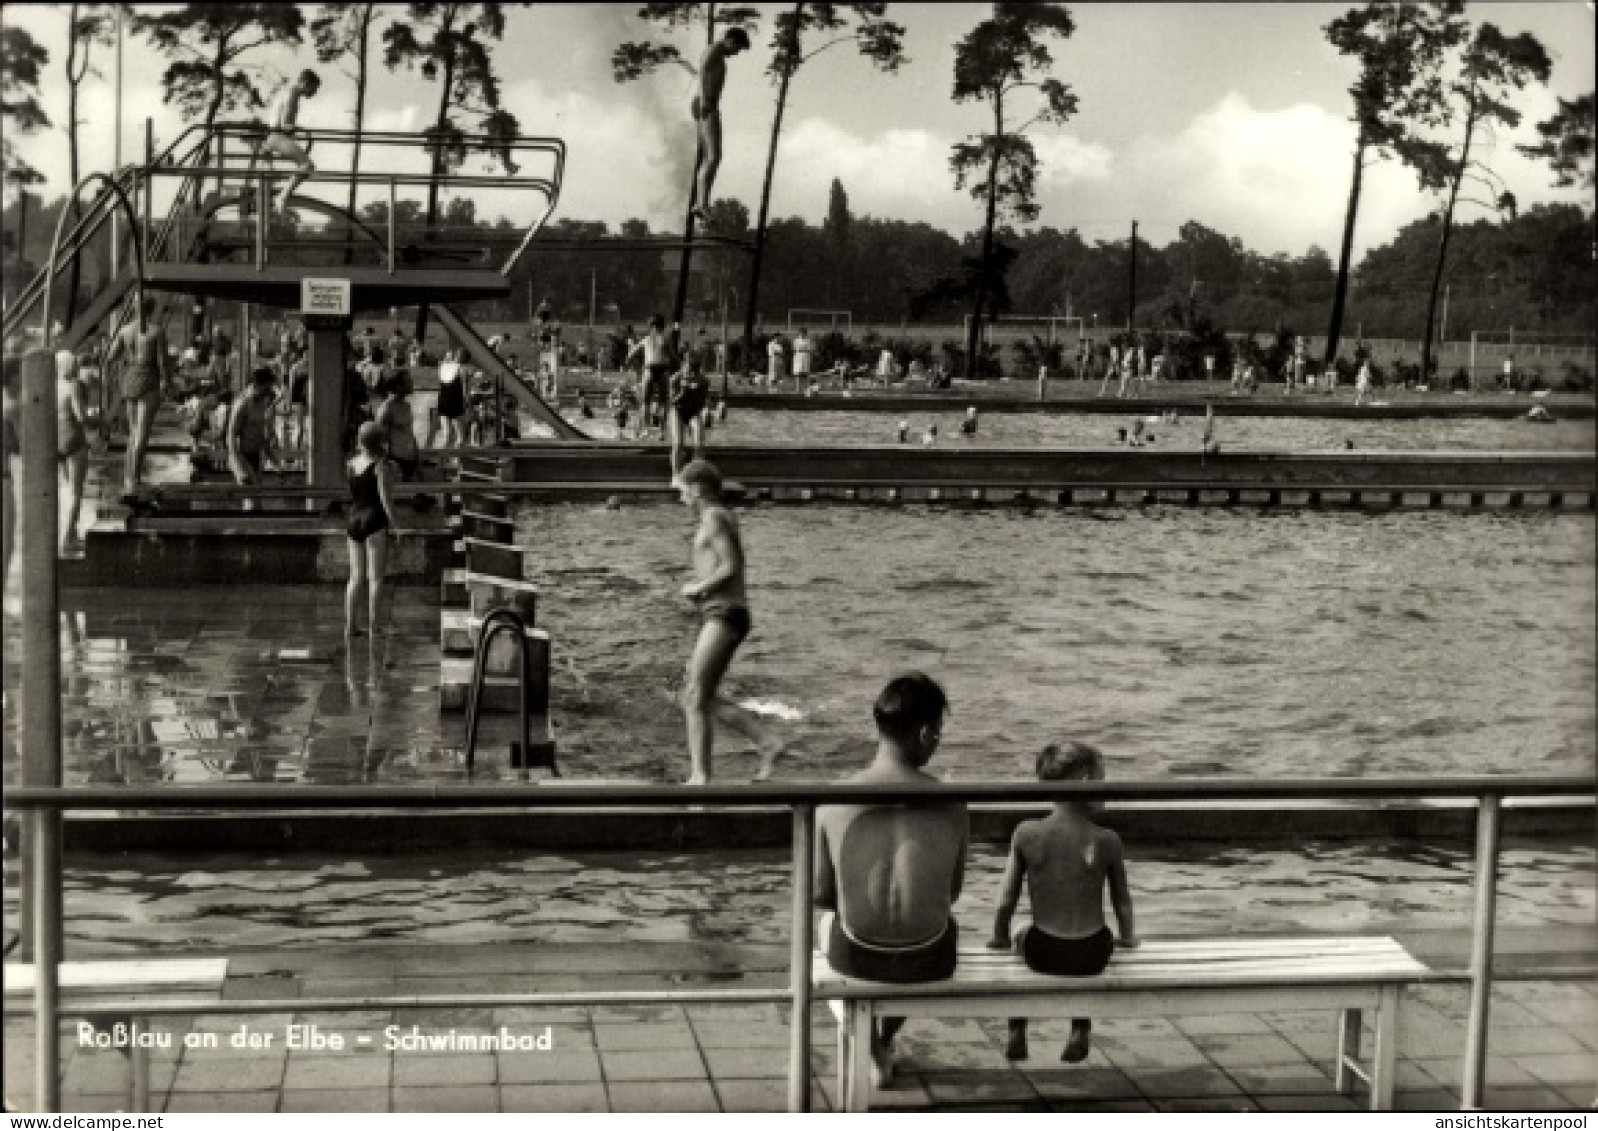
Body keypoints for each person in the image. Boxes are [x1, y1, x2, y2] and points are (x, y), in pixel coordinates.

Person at [814, 673, 968, 1086]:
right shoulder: (952, 803)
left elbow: (820, 894)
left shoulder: (833, 800)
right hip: (929, 959)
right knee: (932, 921)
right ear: (923, 733)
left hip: (858, 958)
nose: (937, 742)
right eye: (938, 733)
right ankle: (881, 1037)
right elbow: (950, 894)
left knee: (826, 924)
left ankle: (867, 1042)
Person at [989, 742, 1138, 1064]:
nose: (1106, 788)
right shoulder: (1107, 839)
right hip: (1093, 953)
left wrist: (1000, 936)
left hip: (1044, 951)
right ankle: (1080, 1027)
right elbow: (1122, 901)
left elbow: (1005, 900)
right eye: (1102, 779)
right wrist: (1127, 938)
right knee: (1099, 931)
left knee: (1020, 928)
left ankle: (1016, 1025)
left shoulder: (1027, 833)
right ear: (1085, 781)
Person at [676, 459, 750, 785]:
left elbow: (731, 566)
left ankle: (700, 779)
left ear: (696, 489)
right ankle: (766, 741)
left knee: (694, 695)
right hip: (717, 612)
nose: (681, 500)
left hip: (725, 613)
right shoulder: (714, 516)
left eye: (682, 492)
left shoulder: (715, 517)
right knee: (696, 693)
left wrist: (698, 587)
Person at [105, 294, 171, 500]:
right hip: (149, 377)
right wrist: (166, 381)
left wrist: (114, 378)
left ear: (134, 309)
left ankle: (129, 477)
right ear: (151, 309)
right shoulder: (156, 331)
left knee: (133, 433)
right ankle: (134, 479)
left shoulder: (125, 331)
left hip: (130, 378)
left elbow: (110, 357)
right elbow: (162, 362)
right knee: (141, 433)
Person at [689, 27, 751, 223]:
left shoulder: (713, 51)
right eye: (737, 48)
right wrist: (706, 99)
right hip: (706, 103)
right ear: (729, 40)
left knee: (710, 157)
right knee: (714, 157)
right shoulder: (715, 49)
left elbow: (701, 71)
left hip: (703, 102)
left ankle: (701, 203)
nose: (736, 53)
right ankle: (701, 204)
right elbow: (704, 70)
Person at [345, 421, 399, 639]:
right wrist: (396, 525)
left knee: (355, 577)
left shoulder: (350, 464)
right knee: (376, 579)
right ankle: (375, 627)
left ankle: (351, 626)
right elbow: (385, 499)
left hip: (354, 520)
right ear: (380, 442)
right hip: (374, 520)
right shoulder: (380, 466)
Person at [248, 69, 321, 216]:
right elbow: (286, 124)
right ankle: (282, 197)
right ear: (305, 83)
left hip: (270, 137)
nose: (314, 93)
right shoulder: (293, 94)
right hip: (277, 137)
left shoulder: (286, 91)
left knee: (268, 176)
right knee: (307, 165)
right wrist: (294, 130)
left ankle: (264, 207)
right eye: (314, 88)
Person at [54, 350, 95, 553]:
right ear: (71, 367)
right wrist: (97, 421)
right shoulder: (74, 386)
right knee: (76, 491)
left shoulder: (51, 386)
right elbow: (80, 417)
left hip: (56, 442)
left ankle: (65, 532)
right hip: (74, 441)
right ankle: (69, 536)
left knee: (64, 489)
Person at [227, 367, 279, 485]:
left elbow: (260, 435)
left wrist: (275, 462)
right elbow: (231, 435)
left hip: (255, 455)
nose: (271, 389)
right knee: (252, 498)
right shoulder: (243, 403)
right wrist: (239, 468)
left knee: (256, 500)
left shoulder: (262, 403)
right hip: (241, 457)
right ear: (260, 385)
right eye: (269, 385)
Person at [669, 353, 712, 484]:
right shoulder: (675, 378)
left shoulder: (704, 381)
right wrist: (683, 391)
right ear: (683, 367)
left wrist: (697, 393)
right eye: (688, 370)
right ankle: (676, 475)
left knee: (699, 443)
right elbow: (672, 401)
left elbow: (703, 402)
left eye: (694, 371)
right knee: (678, 443)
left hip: (694, 412)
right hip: (678, 411)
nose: (691, 374)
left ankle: (697, 474)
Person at [627, 317, 672, 437]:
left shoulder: (646, 339)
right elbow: (672, 356)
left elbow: (630, 355)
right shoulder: (666, 339)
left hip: (649, 369)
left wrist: (632, 364)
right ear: (662, 327)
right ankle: (662, 431)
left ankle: (646, 429)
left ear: (651, 327)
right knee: (663, 402)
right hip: (663, 369)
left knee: (646, 402)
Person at [375, 370, 421, 483]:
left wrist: (416, 454)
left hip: (410, 459)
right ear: (398, 386)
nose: (412, 383)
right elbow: (381, 439)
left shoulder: (406, 406)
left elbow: (408, 431)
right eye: (408, 381)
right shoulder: (387, 408)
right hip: (395, 461)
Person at [435, 351, 467, 447]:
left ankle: (443, 460)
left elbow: (440, 386)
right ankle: (457, 460)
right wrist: (466, 403)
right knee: (460, 437)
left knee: (447, 436)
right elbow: (464, 388)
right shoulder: (461, 369)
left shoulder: (443, 368)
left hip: (443, 401)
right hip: (456, 402)